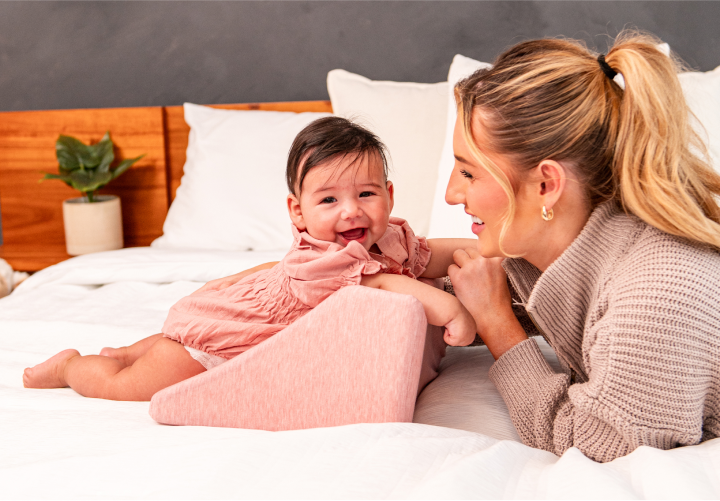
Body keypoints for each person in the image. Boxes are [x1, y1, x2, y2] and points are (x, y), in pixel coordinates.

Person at [23, 117, 477, 401]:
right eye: (328, 200)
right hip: (227, 339)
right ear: (297, 211)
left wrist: (490, 248)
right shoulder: (317, 261)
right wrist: (451, 307)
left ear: (388, 195)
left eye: (365, 193)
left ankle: (125, 351)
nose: (351, 210)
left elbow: (428, 255)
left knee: (158, 346)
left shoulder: (392, 237)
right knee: (130, 385)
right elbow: (383, 286)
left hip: (239, 316)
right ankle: (71, 366)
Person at [445, 31, 720, 462]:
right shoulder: (607, 244)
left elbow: (596, 445)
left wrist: (497, 323)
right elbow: (523, 290)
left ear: (547, 184)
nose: (450, 194)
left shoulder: (653, 295)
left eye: (468, 173)